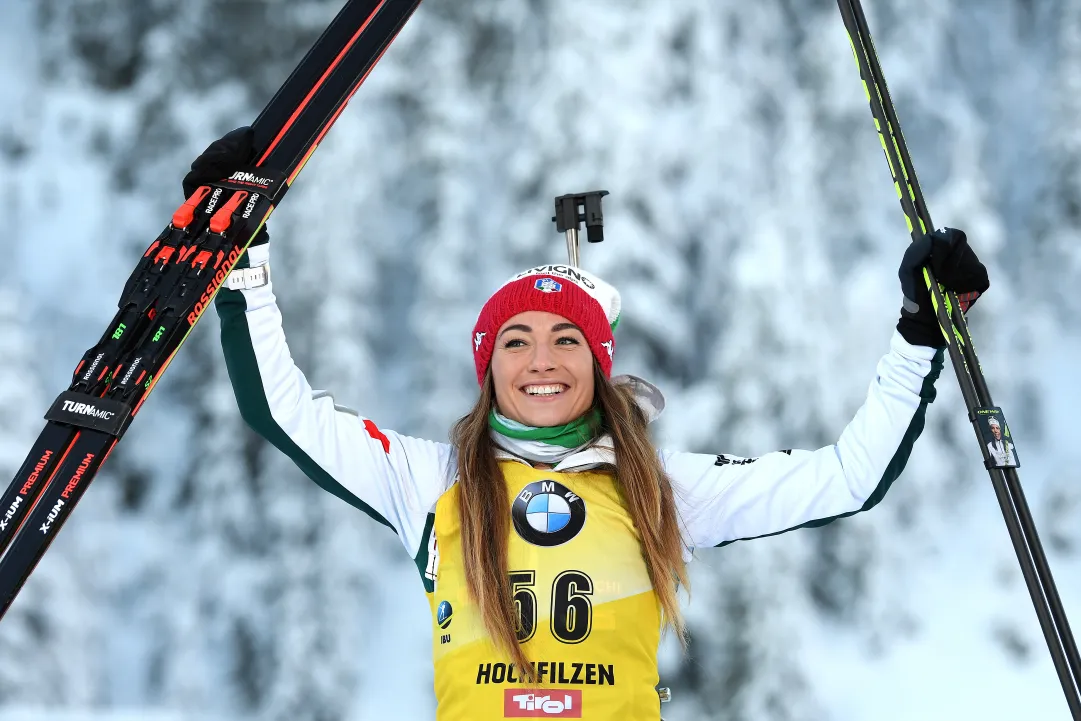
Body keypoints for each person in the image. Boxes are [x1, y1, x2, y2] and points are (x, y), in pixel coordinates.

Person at [190, 128, 990, 720]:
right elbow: (281, 411)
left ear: (598, 364)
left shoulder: (660, 488)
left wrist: (917, 332)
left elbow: (848, 477)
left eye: (566, 339)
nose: (542, 359)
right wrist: (244, 258)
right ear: (489, 366)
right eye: (517, 340)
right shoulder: (429, 482)